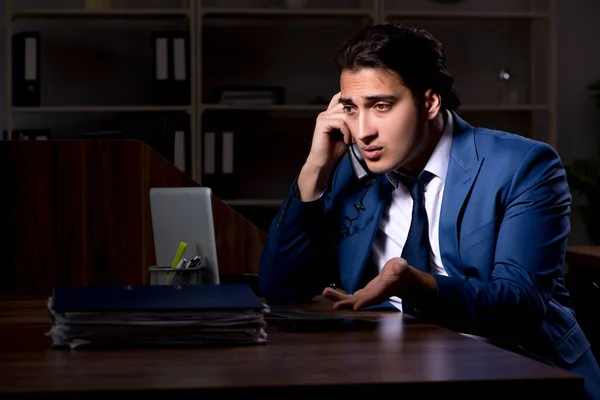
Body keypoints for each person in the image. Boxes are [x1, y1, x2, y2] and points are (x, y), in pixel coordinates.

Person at [257, 21, 600, 399]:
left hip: (525, 370)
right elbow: (281, 288)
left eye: (381, 106)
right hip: (403, 367)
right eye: (351, 109)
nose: (363, 131)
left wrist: (420, 286)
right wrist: (313, 171)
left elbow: (519, 306)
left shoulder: (524, 166)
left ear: (429, 102)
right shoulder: (350, 173)